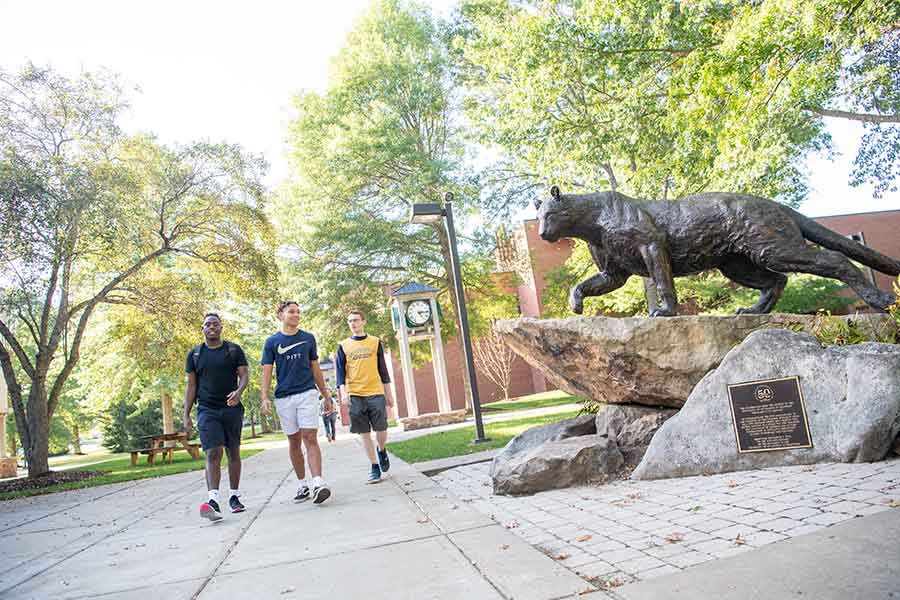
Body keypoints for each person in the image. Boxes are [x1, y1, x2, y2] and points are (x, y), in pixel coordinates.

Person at [260, 300, 334, 504]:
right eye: (291, 312)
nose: (296, 315)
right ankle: (302, 485)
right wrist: (264, 397)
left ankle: (318, 483)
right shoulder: (272, 342)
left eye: (298, 312)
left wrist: (326, 395)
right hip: (284, 397)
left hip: (307, 393)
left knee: (310, 437)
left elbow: (316, 368)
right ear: (280, 316)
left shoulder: (308, 339)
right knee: (293, 440)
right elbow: (266, 370)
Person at [184, 313, 249, 523]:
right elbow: (191, 385)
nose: (211, 327)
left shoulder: (233, 350)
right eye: (207, 324)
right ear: (202, 328)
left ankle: (234, 497)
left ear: (221, 327)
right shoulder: (194, 354)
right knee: (212, 451)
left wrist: (238, 391)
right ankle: (213, 500)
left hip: (231, 409)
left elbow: (244, 375)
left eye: (215, 324)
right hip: (207, 410)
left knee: (233, 452)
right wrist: (186, 414)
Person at [336, 310, 394, 484]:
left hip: (375, 391)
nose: (352, 323)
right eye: (349, 321)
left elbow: (383, 369)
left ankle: (381, 450)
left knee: (381, 429)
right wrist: (344, 394)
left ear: (363, 322)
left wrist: (388, 394)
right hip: (355, 394)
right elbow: (340, 373)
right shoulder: (344, 345)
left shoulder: (375, 342)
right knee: (364, 433)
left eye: (355, 320)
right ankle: (374, 466)